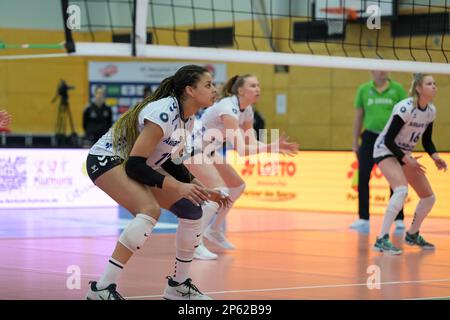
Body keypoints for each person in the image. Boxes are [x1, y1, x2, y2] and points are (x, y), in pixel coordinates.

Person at [84, 65, 231, 300]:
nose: (214, 90)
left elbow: (171, 162)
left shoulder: (188, 120)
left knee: (192, 210)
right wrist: (176, 186)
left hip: (137, 164)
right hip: (107, 159)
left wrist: (203, 189)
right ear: (190, 90)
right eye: (208, 85)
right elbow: (134, 165)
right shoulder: (164, 112)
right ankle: (101, 289)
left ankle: (178, 287)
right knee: (149, 211)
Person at [184, 74, 299, 260]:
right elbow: (242, 150)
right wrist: (272, 147)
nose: (258, 89)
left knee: (237, 186)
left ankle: (214, 230)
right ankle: (194, 243)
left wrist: (271, 147)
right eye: (253, 85)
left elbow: (250, 144)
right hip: (191, 149)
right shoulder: (228, 108)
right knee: (219, 190)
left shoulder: (247, 110)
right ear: (240, 90)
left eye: (258, 85)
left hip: (209, 151)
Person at [372, 73, 447, 255]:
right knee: (401, 190)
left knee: (429, 198)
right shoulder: (405, 108)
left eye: (435, 84)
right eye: (429, 84)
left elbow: (427, 140)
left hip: (404, 153)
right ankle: (381, 239)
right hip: (385, 150)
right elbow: (389, 140)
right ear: (419, 89)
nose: (434, 87)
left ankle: (412, 234)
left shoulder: (430, 111)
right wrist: (407, 159)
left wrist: (435, 156)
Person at [350, 71, 408, 231]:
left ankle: (399, 219)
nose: (382, 71)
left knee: (395, 179)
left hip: (391, 138)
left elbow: (407, 116)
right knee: (362, 178)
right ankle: (363, 218)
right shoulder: (363, 89)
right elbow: (358, 117)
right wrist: (355, 142)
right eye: (378, 68)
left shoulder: (397, 89)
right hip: (369, 138)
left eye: (384, 68)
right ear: (371, 71)